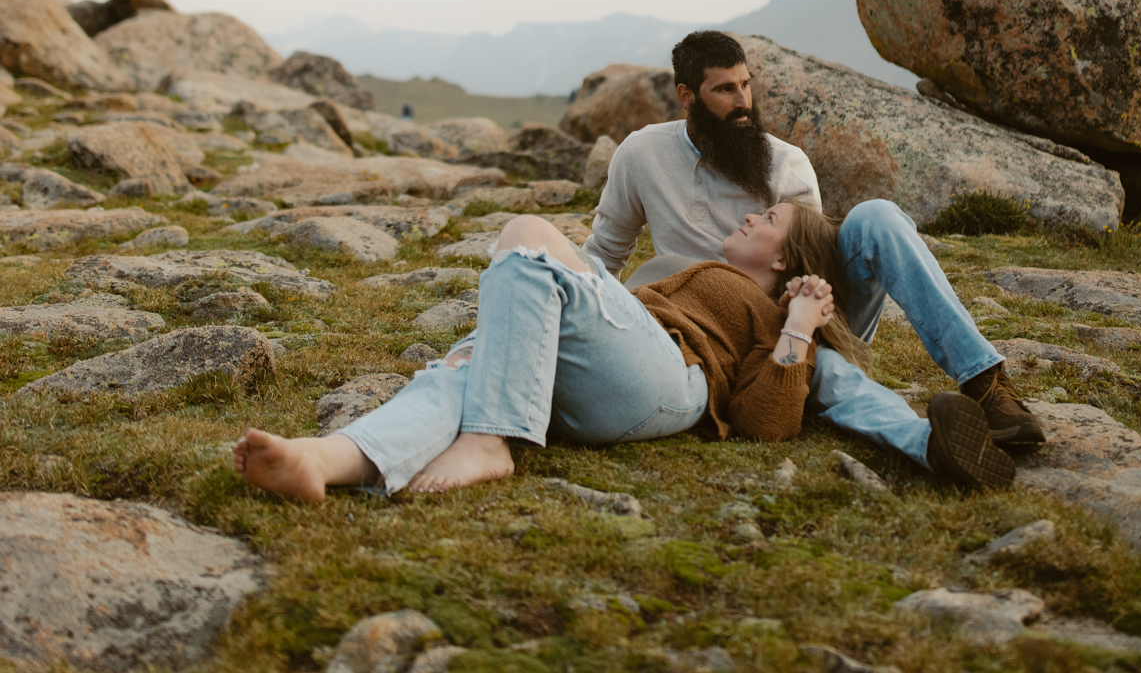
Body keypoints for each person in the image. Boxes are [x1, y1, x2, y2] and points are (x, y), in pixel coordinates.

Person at [233, 195, 1014, 504]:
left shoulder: (779, 312)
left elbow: (774, 419)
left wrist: (801, 330)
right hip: (601, 378)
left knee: (528, 237)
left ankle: (489, 442)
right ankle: (324, 460)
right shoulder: (698, 275)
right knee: (460, 368)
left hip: (663, 383)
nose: (749, 216)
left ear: (785, 258)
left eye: (767, 216)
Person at [581, 29, 1044, 487]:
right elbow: (603, 254)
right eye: (724, 89)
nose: (743, 102)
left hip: (804, 309)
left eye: (746, 84)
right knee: (829, 375)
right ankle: (932, 446)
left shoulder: (787, 164)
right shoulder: (642, 155)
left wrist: (798, 316)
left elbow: (810, 259)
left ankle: (986, 383)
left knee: (875, 218)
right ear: (687, 96)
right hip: (718, 332)